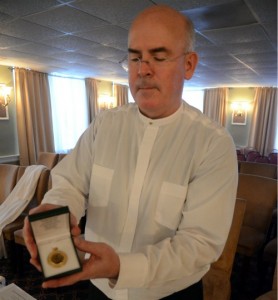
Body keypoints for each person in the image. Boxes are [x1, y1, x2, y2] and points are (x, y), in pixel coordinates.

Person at [23, 4, 238, 300]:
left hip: (168, 294)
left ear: (189, 65)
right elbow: (70, 183)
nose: (143, 69)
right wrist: (54, 209)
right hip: (97, 288)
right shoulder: (105, 125)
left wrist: (123, 266)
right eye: (135, 57)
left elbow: (199, 244)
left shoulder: (213, 143)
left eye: (158, 57)